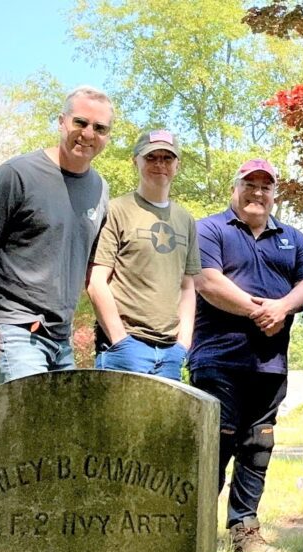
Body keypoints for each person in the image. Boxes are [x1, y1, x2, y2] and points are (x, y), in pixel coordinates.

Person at [190, 159, 303, 552]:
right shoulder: (210, 228)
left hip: (269, 363)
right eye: (250, 184)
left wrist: (282, 309)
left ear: (274, 194)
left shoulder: (292, 237)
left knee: (258, 446)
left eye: (266, 187)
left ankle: (245, 531)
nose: (258, 193)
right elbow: (207, 281)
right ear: (236, 188)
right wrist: (258, 310)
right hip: (218, 357)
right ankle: (192, 533)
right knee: (216, 444)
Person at [0, 86, 112, 383]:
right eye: (80, 122)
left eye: (100, 127)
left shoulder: (100, 189)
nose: (88, 134)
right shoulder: (17, 174)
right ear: (61, 121)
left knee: (60, 427)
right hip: (14, 328)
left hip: (61, 337)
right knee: (34, 422)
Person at [87, 129, 199, 380]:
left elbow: (188, 286)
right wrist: (120, 340)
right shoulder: (116, 210)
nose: (159, 164)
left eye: (167, 158)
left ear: (177, 165)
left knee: (164, 422)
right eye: (151, 157)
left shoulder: (185, 220)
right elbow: (96, 281)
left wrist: (184, 343)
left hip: (171, 352)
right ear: (135, 161)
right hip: (126, 348)